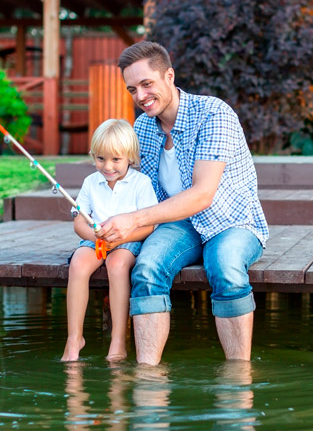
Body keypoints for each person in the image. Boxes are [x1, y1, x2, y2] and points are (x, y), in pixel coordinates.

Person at [96, 41, 269, 366]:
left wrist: (133, 220)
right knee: (146, 270)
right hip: (177, 224)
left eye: (147, 84)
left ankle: (237, 376)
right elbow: (131, 186)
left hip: (230, 221)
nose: (140, 95)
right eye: (132, 88)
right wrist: (97, 215)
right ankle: (148, 382)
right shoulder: (143, 127)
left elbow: (203, 194)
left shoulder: (214, 114)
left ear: (169, 76)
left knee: (226, 267)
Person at [62, 119, 157, 362]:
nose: (108, 166)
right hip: (96, 240)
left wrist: (123, 236)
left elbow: (149, 225)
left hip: (128, 241)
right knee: (78, 265)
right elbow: (79, 222)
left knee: (117, 266)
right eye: (101, 158)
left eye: (116, 159)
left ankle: (118, 339)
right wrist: (93, 236)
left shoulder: (141, 183)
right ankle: (74, 339)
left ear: (129, 157)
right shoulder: (90, 183)